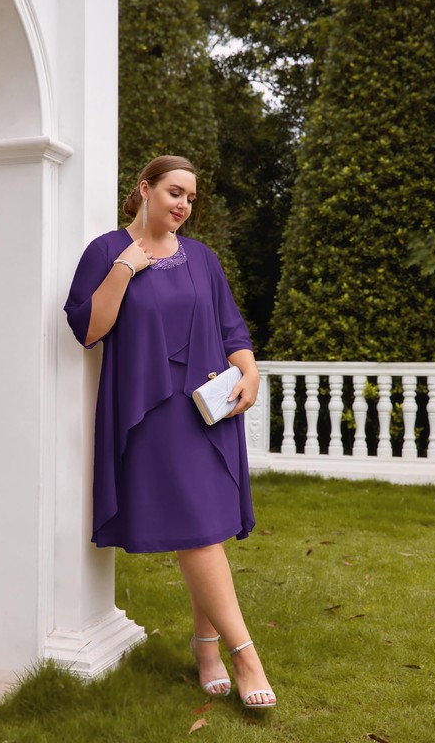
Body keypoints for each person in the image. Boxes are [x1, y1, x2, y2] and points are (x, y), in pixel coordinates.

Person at [64, 155, 277, 709]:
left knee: (206, 530)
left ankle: (207, 647)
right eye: (174, 192)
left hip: (209, 410)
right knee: (198, 532)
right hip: (155, 415)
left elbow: (232, 328)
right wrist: (124, 269)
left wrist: (250, 373)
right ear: (145, 189)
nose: (183, 204)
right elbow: (88, 329)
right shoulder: (106, 251)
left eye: (190, 198)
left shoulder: (202, 258)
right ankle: (245, 655)